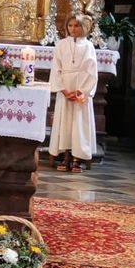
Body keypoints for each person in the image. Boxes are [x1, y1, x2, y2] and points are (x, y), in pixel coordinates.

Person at [48, 14, 97, 173]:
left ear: (83, 27)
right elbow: (56, 68)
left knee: (79, 124)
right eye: (70, 26)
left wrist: (81, 91)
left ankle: (77, 158)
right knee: (65, 123)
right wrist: (63, 90)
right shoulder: (61, 44)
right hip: (66, 88)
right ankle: (65, 156)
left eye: (76, 26)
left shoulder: (89, 46)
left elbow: (91, 70)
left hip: (80, 89)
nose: (73, 29)